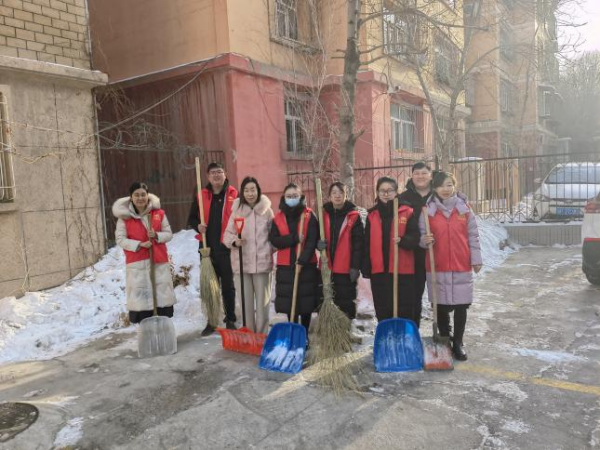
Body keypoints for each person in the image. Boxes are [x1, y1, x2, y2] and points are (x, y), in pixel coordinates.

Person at [419, 171, 483, 361]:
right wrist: (424, 240)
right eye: (440, 186)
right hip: (437, 264)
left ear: (454, 186)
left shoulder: (464, 209)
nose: (445, 189)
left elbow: (473, 235)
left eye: (449, 185)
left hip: (460, 263)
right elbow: (421, 237)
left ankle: (458, 342)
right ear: (434, 188)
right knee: (441, 306)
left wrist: (476, 259)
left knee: (461, 306)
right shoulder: (427, 211)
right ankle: (446, 338)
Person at [113, 182, 176, 324]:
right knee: (142, 302)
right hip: (137, 264)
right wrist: (139, 244)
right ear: (131, 197)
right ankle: (147, 335)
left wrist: (157, 236)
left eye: (143, 194)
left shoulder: (158, 214)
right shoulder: (124, 218)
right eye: (136, 195)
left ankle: (162, 333)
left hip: (158, 261)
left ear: (148, 196)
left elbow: (169, 234)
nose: (140, 198)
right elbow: (120, 239)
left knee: (161, 300)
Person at [187, 162, 238, 335]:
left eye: (220, 172)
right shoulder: (202, 195)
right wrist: (197, 226)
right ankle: (211, 321)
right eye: (213, 173)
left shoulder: (233, 194)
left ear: (225, 174)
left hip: (225, 247)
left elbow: (240, 219)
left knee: (228, 286)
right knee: (210, 286)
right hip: (207, 248)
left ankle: (230, 318)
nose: (216, 175)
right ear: (208, 176)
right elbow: (192, 218)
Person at [362, 177, 420, 324]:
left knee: (404, 306)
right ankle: (387, 334)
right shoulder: (372, 215)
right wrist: (366, 266)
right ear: (377, 192)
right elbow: (366, 243)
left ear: (396, 192)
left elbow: (415, 237)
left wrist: (403, 240)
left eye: (390, 190)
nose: (386, 194)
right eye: (382, 190)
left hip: (402, 269)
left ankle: (403, 335)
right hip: (380, 270)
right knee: (383, 306)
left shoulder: (407, 211)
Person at [223, 177, 274, 334]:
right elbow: (226, 236)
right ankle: (248, 333)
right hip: (242, 263)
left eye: (253, 189)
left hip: (262, 264)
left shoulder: (267, 211)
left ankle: (262, 334)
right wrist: (234, 241)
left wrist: (268, 249)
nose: (250, 193)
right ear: (242, 192)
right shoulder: (236, 211)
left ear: (258, 191)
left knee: (262, 303)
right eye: (246, 190)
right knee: (245, 303)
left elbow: (275, 236)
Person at [269, 183, 319, 336]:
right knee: (290, 302)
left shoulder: (309, 215)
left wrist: (302, 261)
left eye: (295, 196)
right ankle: (294, 332)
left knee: (305, 302)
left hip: (306, 265)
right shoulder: (278, 218)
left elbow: (312, 240)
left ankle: (303, 333)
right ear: (284, 197)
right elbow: (275, 240)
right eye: (289, 196)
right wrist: (294, 239)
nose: (292, 198)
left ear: (301, 196)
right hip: (286, 267)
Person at [318, 181, 364, 319]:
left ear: (346, 195)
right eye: (334, 193)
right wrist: (318, 244)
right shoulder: (323, 214)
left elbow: (358, 244)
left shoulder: (353, 216)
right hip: (327, 266)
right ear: (329, 196)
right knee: (327, 298)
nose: (337, 196)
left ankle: (346, 329)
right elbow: (316, 235)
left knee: (346, 300)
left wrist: (355, 266)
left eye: (341, 193)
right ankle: (330, 330)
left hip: (345, 266)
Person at [399, 162, 434, 328]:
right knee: (414, 293)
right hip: (414, 253)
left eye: (424, 173)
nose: (420, 176)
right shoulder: (403, 198)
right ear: (412, 176)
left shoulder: (438, 195)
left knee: (440, 293)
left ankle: (443, 329)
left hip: (437, 250)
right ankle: (414, 329)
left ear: (430, 175)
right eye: (417, 173)